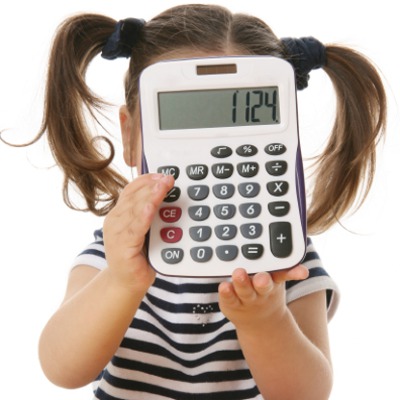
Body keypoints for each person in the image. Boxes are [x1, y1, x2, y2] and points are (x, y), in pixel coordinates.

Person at [27, 4, 386, 400]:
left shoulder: (286, 261)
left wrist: (266, 319)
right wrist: (120, 281)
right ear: (130, 136)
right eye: (188, 114)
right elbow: (61, 369)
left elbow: (307, 395)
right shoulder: (114, 253)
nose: (216, 153)